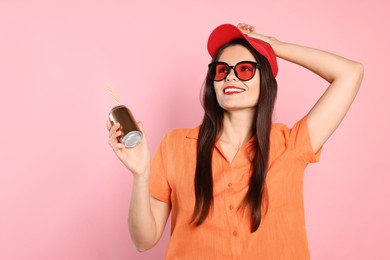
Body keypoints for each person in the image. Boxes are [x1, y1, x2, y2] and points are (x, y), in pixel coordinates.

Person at [106, 23, 363, 259]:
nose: (231, 77)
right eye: (221, 71)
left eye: (245, 69)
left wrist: (273, 45)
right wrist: (140, 174)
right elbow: (143, 240)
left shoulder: (291, 144)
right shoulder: (175, 145)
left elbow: (351, 72)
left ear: (265, 80)